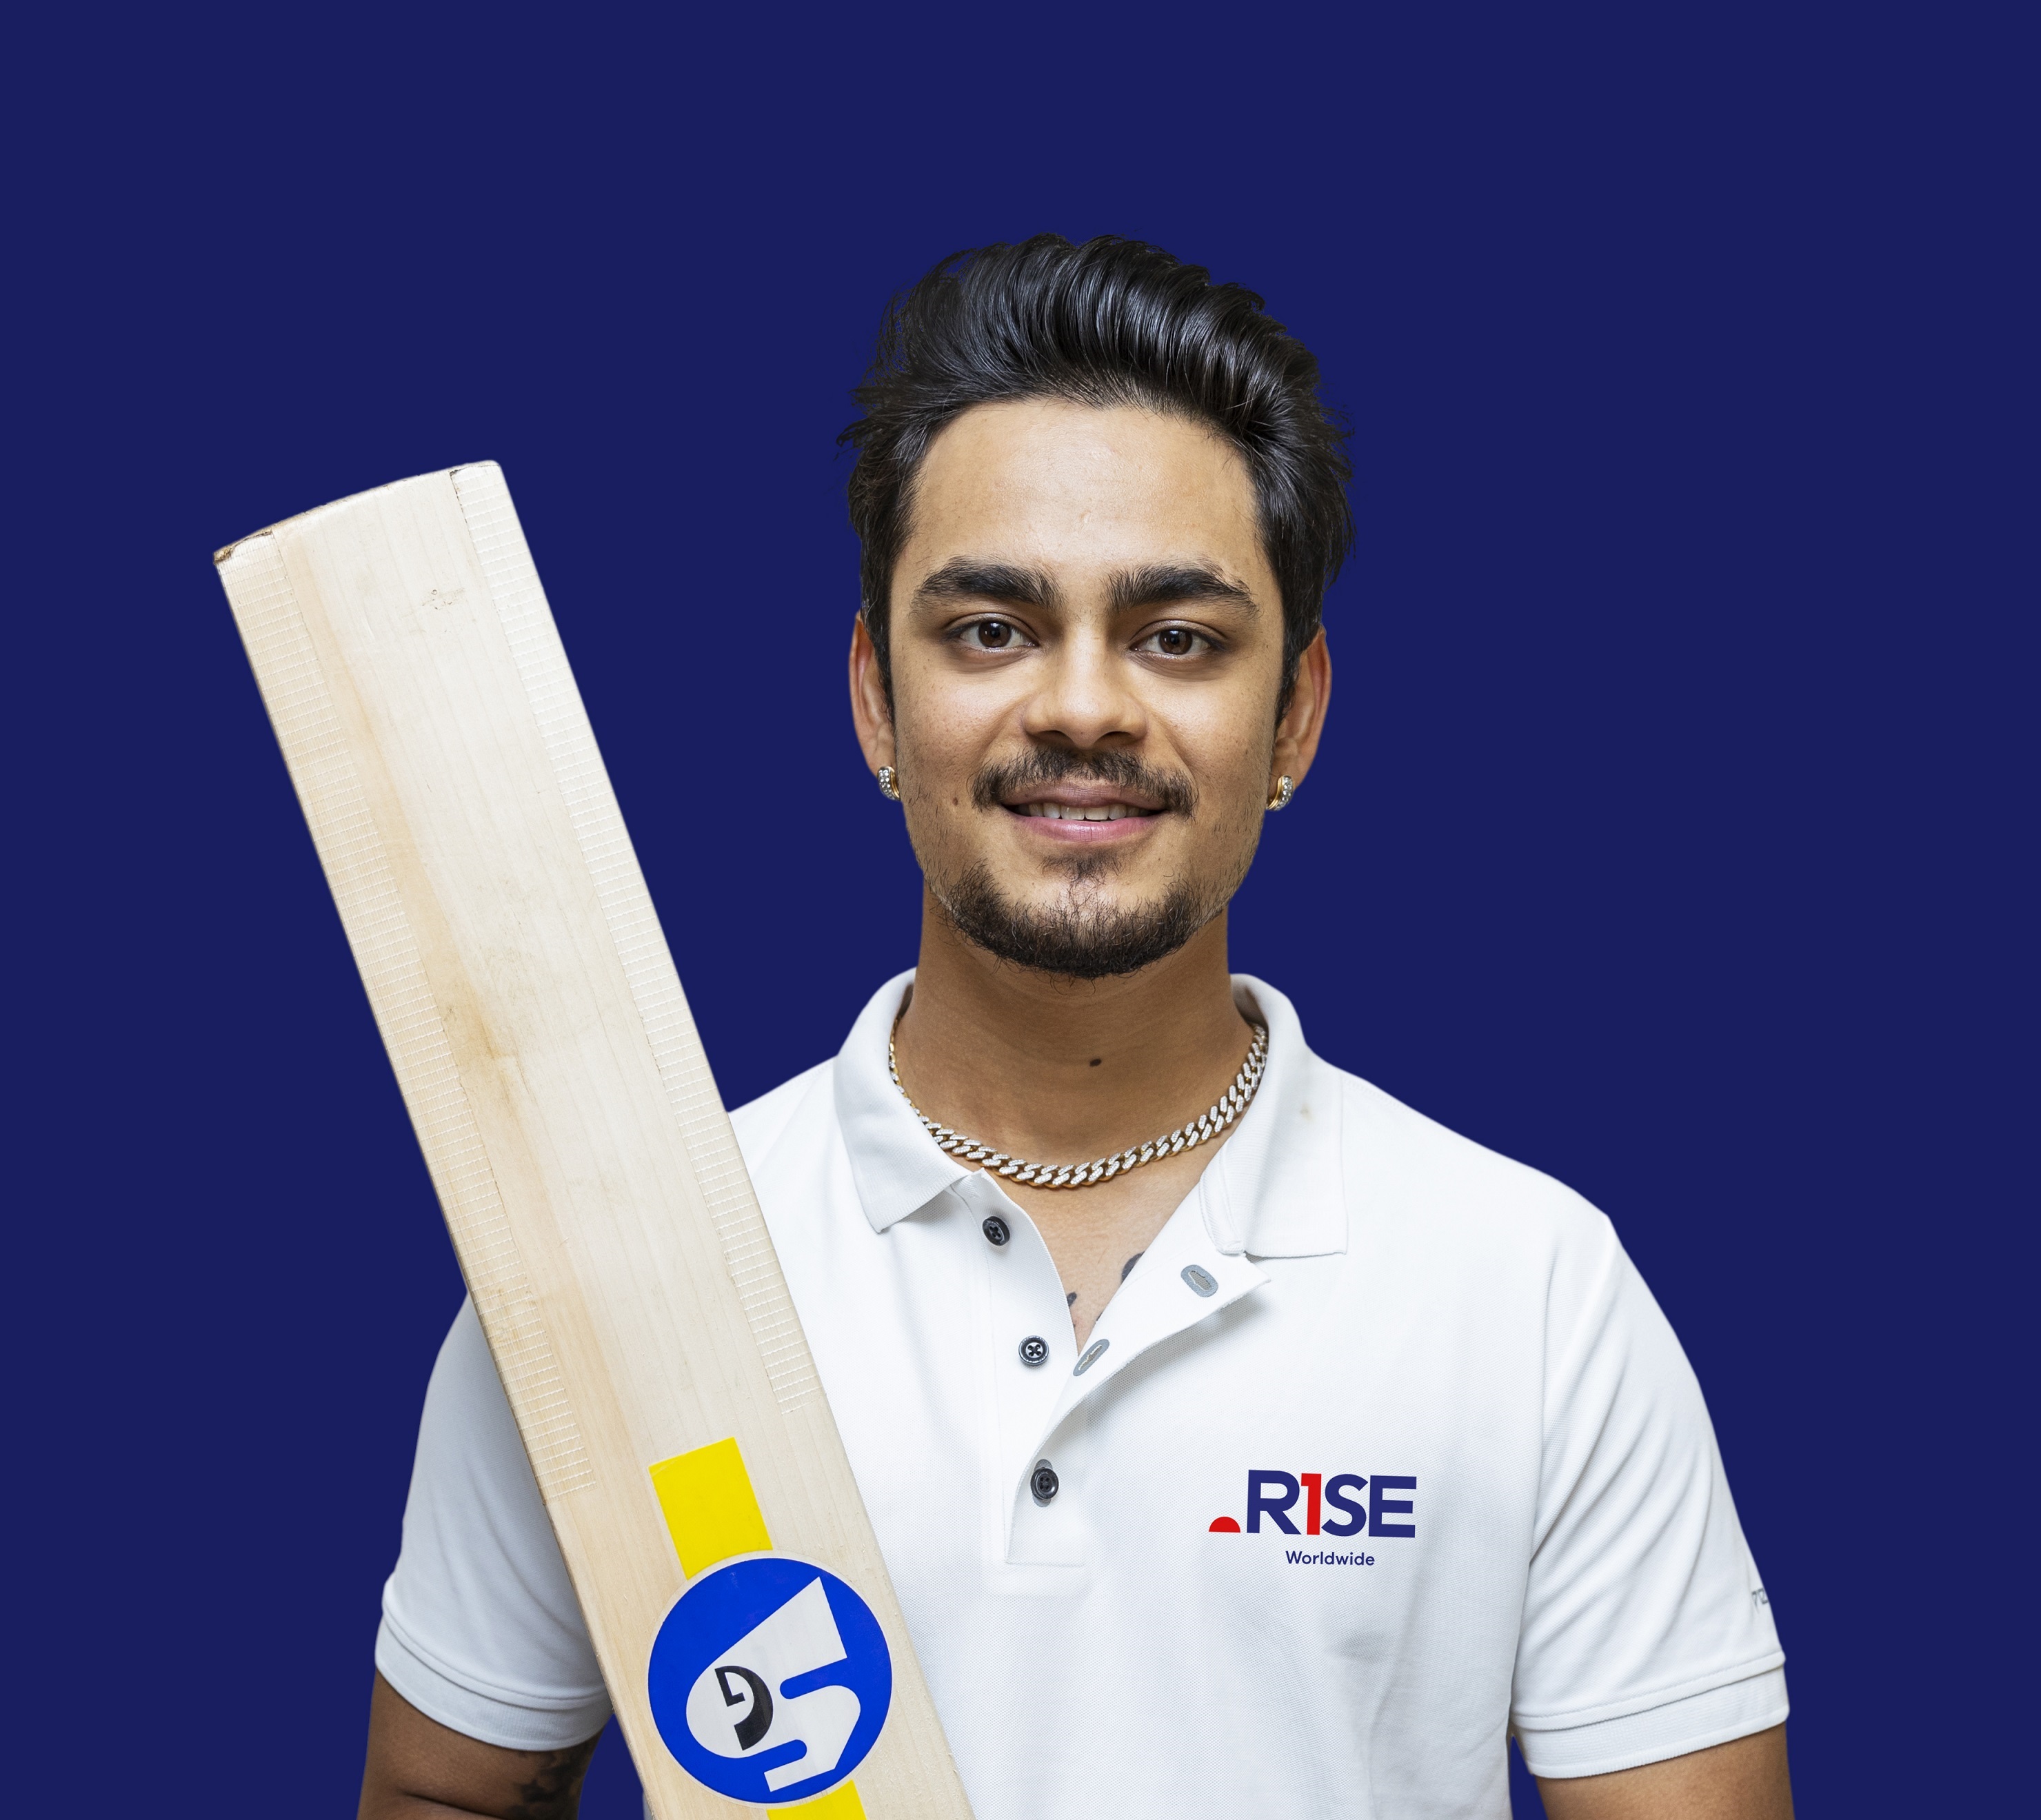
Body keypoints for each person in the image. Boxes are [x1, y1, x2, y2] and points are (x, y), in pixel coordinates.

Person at [358, 235, 1792, 1819]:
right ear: (875, 697)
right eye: (991, 628)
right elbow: (447, 1793)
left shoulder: (1526, 1290)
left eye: (1177, 636)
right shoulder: (609, 1272)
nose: (1084, 707)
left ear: (1295, 714)